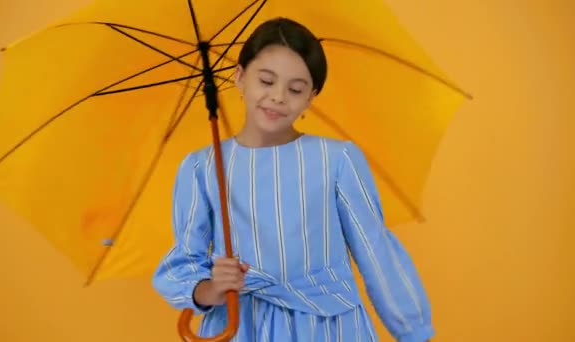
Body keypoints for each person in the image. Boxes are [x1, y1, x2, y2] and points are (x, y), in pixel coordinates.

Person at [152, 17, 434, 342]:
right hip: (243, 327)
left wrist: (414, 331)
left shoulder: (337, 159)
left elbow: (376, 250)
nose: (278, 97)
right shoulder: (201, 167)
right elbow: (185, 261)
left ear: (311, 98)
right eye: (266, 81)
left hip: (328, 326)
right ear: (240, 77)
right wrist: (212, 288)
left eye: (295, 89)